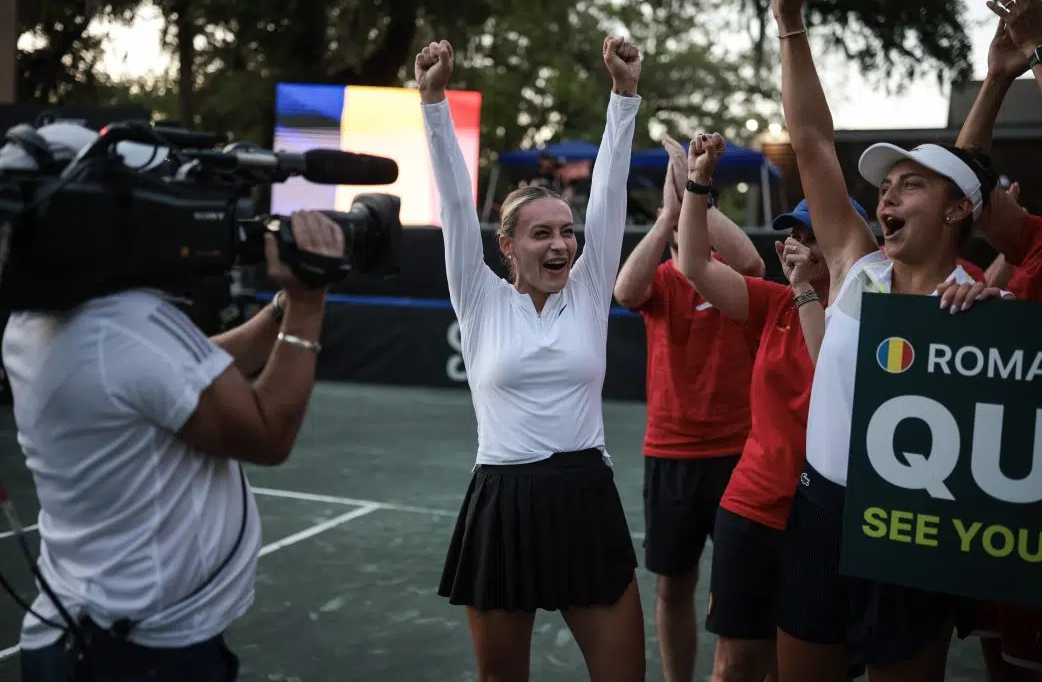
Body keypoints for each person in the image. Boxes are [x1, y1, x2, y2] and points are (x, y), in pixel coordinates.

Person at [4, 153, 344, 682]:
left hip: (91, 619)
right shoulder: (123, 330)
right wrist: (307, 305)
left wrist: (279, 307)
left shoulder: (41, 319)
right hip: (148, 652)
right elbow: (268, 434)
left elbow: (179, 376)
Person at [766, 0, 1013, 682]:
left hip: (916, 524)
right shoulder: (854, 265)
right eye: (887, 184)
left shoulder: (980, 308)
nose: (887, 194)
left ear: (957, 211)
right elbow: (811, 139)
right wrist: (790, 20)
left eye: (910, 185)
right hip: (823, 507)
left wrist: (991, 346)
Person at [418, 36, 646, 682]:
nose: (560, 243)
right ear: (507, 246)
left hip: (585, 498)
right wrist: (434, 102)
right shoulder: (480, 296)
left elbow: (608, 191)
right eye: (541, 233)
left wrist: (624, 96)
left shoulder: (591, 289)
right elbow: (456, 203)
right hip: (503, 503)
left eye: (566, 232)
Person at [676, 131, 869, 682]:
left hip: (833, 517)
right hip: (754, 508)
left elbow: (830, 355)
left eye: (812, 235)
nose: (795, 245)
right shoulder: (774, 303)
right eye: (792, 235)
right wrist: (698, 183)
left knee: (811, 669)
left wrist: (810, 290)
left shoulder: (876, 313)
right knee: (735, 666)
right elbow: (693, 264)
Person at [613, 136, 764, 682]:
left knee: (733, 586)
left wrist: (694, 189)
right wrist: (667, 217)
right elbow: (625, 291)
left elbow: (751, 258)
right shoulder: (659, 283)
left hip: (737, 453)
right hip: (672, 452)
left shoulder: (727, 275)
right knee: (672, 584)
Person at [951, 0, 1042, 678]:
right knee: (1009, 658)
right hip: (1018, 497)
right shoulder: (1041, 244)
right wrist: (997, 80)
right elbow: (959, 186)